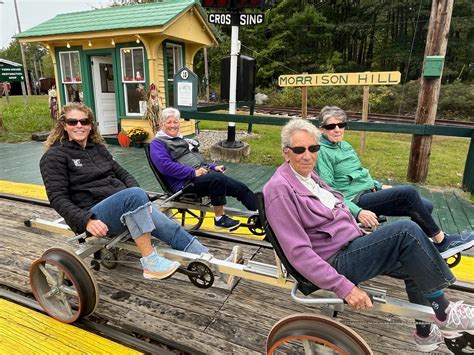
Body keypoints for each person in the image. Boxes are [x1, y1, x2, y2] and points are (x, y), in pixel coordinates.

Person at [263, 118, 474, 353]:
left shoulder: (309, 177)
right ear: (286, 152)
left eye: (313, 148)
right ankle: (445, 312)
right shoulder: (279, 190)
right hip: (333, 260)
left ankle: (424, 333)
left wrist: (362, 229)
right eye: (299, 150)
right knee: (407, 231)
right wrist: (344, 288)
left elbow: (337, 205)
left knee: (416, 259)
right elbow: (298, 253)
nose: (308, 155)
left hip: (352, 243)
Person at [39, 102, 238, 281]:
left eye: (84, 121)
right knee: (134, 196)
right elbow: (57, 198)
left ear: (91, 125)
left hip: (122, 207)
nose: (79, 126)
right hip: (94, 215)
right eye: (73, 122)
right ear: (64, 126)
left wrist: (141, 201)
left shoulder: (97, 149)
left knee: (170, 227)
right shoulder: (55, 157)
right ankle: (150, 262)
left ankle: (216, 264)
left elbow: (124, 175)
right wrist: (87, 220)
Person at [315, 105, 474, 259]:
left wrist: (379, 185)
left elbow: (358, 173)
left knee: (425, 205)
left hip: (370, 192)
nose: (337, 129)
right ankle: (443, 242)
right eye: (331, 126)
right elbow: (329, 191)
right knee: (408, 193)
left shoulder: (345, 146)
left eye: (341, 125)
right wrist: (358, 211)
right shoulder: (322, 152)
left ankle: (421, 246)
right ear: (322, 129)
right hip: (354, 200)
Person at [149, 107, 257, 231]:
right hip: (183, 183)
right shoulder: (157, 144)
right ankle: (219, 219)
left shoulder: (179, 139)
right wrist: (193, 172)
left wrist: (212, 167)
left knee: (240, 188)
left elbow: (194, 160)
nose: (173, 125)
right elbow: (165, 167)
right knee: (217, 179)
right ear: (161, 124)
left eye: (175, 122)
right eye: (169, 122)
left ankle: (262, 215)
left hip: (197, 175)